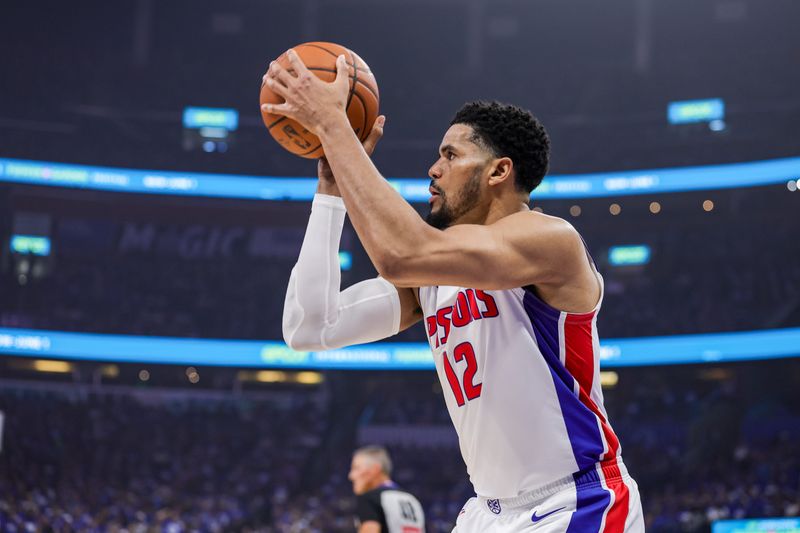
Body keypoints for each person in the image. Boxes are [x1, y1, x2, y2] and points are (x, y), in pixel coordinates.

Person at [268, 51, 645, 532]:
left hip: (575, 502)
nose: (433, 169)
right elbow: (309, 327)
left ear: (498, 172)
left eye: (450, 155)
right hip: (486, 511)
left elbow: (402, 253)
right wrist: (330, 191)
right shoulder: (436, 269)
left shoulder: (549, 241)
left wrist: (335, 130)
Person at [348, 446, 426, 533]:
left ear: (375, 469)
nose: (351, 476)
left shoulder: (370, 499)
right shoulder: (412, 499)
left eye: (356, 468)